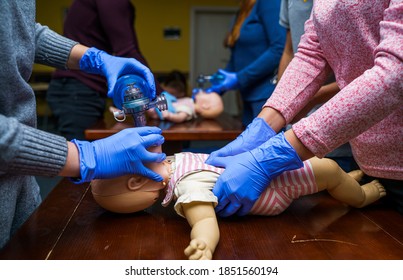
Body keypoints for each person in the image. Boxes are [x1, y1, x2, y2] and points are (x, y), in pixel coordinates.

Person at [205, 1, 402, 217]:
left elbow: (395, 73)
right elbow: (311, 53)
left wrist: (275, 154)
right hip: (371, 159)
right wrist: (263, 126)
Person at [0, 1, 166, 249]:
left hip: (19, 173)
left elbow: (19, 32)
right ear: (133, 183)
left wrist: (93, 58)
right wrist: (86, 156)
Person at [90, 145, 386, 260]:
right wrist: (204, 244)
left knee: (324, 172)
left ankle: (344, 181)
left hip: (263, 173)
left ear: (134, 183)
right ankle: (361, 197)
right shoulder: (186, 185)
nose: (150, 206)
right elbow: (204, 220)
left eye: (140, 206)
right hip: (273, 189)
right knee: (327, 169)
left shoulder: (174, 160)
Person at [46, 0, 164, 140]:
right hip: (78, 89)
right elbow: (127, 51)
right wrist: (160, 95)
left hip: (79, 87)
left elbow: (129, 49)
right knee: (78, 154)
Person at [277, 0, 355, 172]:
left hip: (345, 140)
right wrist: (280, 103)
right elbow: (290, 50)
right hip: (294, 136)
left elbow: (375, 72)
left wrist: (312, 99)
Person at [204, 0, 286, 126]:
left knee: (264, 143)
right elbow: (238, 54)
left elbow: (279, 48)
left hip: (266, 96)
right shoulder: (244, 9)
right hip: (247, 96)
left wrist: (239, 78)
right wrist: (219, 85)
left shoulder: (268, 3)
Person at [147, 91, 224, 123]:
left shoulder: (189, 109)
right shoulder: (190, 102)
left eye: (207, 93)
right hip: (162, 104)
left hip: (160, 111)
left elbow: (181, 117)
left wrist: (169, 115)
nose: (202, 91)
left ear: (205, 106)